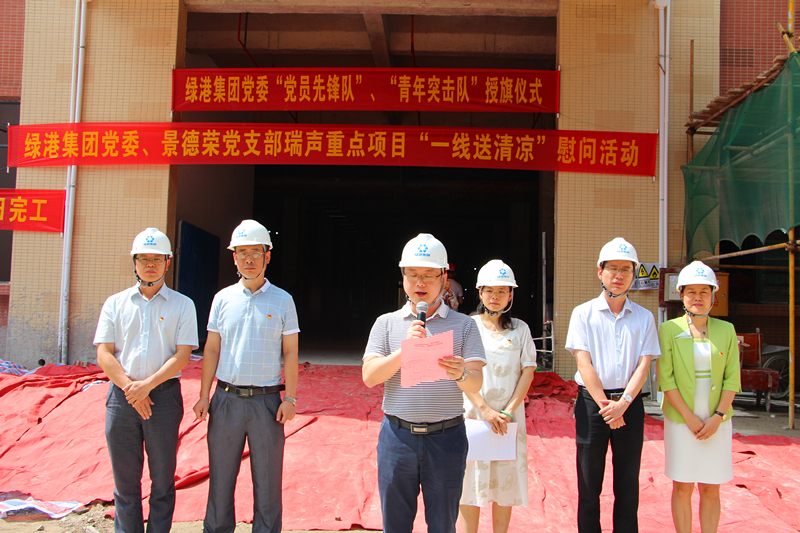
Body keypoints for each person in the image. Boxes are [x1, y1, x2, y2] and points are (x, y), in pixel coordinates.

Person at [362, 233, 486, 533]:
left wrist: (461, 374)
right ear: (403, 277)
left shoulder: (465, 325)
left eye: (429, 275)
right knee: (395, 523)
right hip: (397, 437)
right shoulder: (386, 323)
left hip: (446, 439)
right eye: (413, 274)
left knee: (443, 524)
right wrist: (404, 352)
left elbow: (476, 383)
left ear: (444, 278)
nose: (420, 282)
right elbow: (370, 377)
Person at [192, 219, 299, 533]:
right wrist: (203, 396)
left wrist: (291, 398)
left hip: (267, 403)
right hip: (226, 400)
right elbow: (212, 349)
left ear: (268, 256)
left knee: (268, 482)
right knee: (220, 478)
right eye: (242, 253)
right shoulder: (223, 299)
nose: (249, 259)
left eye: (255, 252)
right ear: (234, 258)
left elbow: (291, 352)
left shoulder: (283, 300)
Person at [94, 227, 199, 533]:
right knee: (125, 483)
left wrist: (147, 387)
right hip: (122, 399)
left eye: (157, 258)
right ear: (134, 262)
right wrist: (132, 389)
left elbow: (182, 355)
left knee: (163, 480)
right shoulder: (115, 303)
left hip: (163, 399)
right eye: (143, 258)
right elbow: (104, 353)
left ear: (168, 262)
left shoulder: (183, 305)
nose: (150, 264)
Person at [565, 237, 661, 533]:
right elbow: (584, 363)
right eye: (613, 268)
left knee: (628, 484)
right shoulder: (583, 314)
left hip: (629, 405)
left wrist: (624, 404)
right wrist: (608, 407)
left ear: (634, 275)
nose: (619, 275)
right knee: (589, 484)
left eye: (626, 269)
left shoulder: (644, 318)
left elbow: (644, 364)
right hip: (592, 406)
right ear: (600, 271)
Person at [657, 261, 741, 533]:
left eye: (704, 291)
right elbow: (666, 379)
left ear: (713, 295)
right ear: (681, 295)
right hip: (681, 421)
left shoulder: (726, 330)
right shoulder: (669, 329)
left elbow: (732, 379)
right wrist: (688, 417)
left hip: (717, 422)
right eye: (691, 291)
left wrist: (718, 417)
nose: (697, 297)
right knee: (682, 486)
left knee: (711, 487)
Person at [459, 260, 537, 533]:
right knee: (471, 483)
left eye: (502, 291)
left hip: (507, 420)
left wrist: (507, 411)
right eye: (490, 290)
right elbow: (459, 373)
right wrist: (484, 409)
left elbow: (528, 371)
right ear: (480, 293)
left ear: (511, 294)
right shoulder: (468, 326)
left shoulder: (520, 329)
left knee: (505, 482)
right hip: (474, 416)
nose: (495, 296)